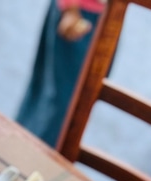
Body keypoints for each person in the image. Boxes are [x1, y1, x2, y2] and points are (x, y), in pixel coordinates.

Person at [16, 0, 107, 147]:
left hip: (104, 15)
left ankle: (24, 147)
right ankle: (30, 154)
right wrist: (70, 8)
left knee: (76, 101)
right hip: (77, 14)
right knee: (60, 103)